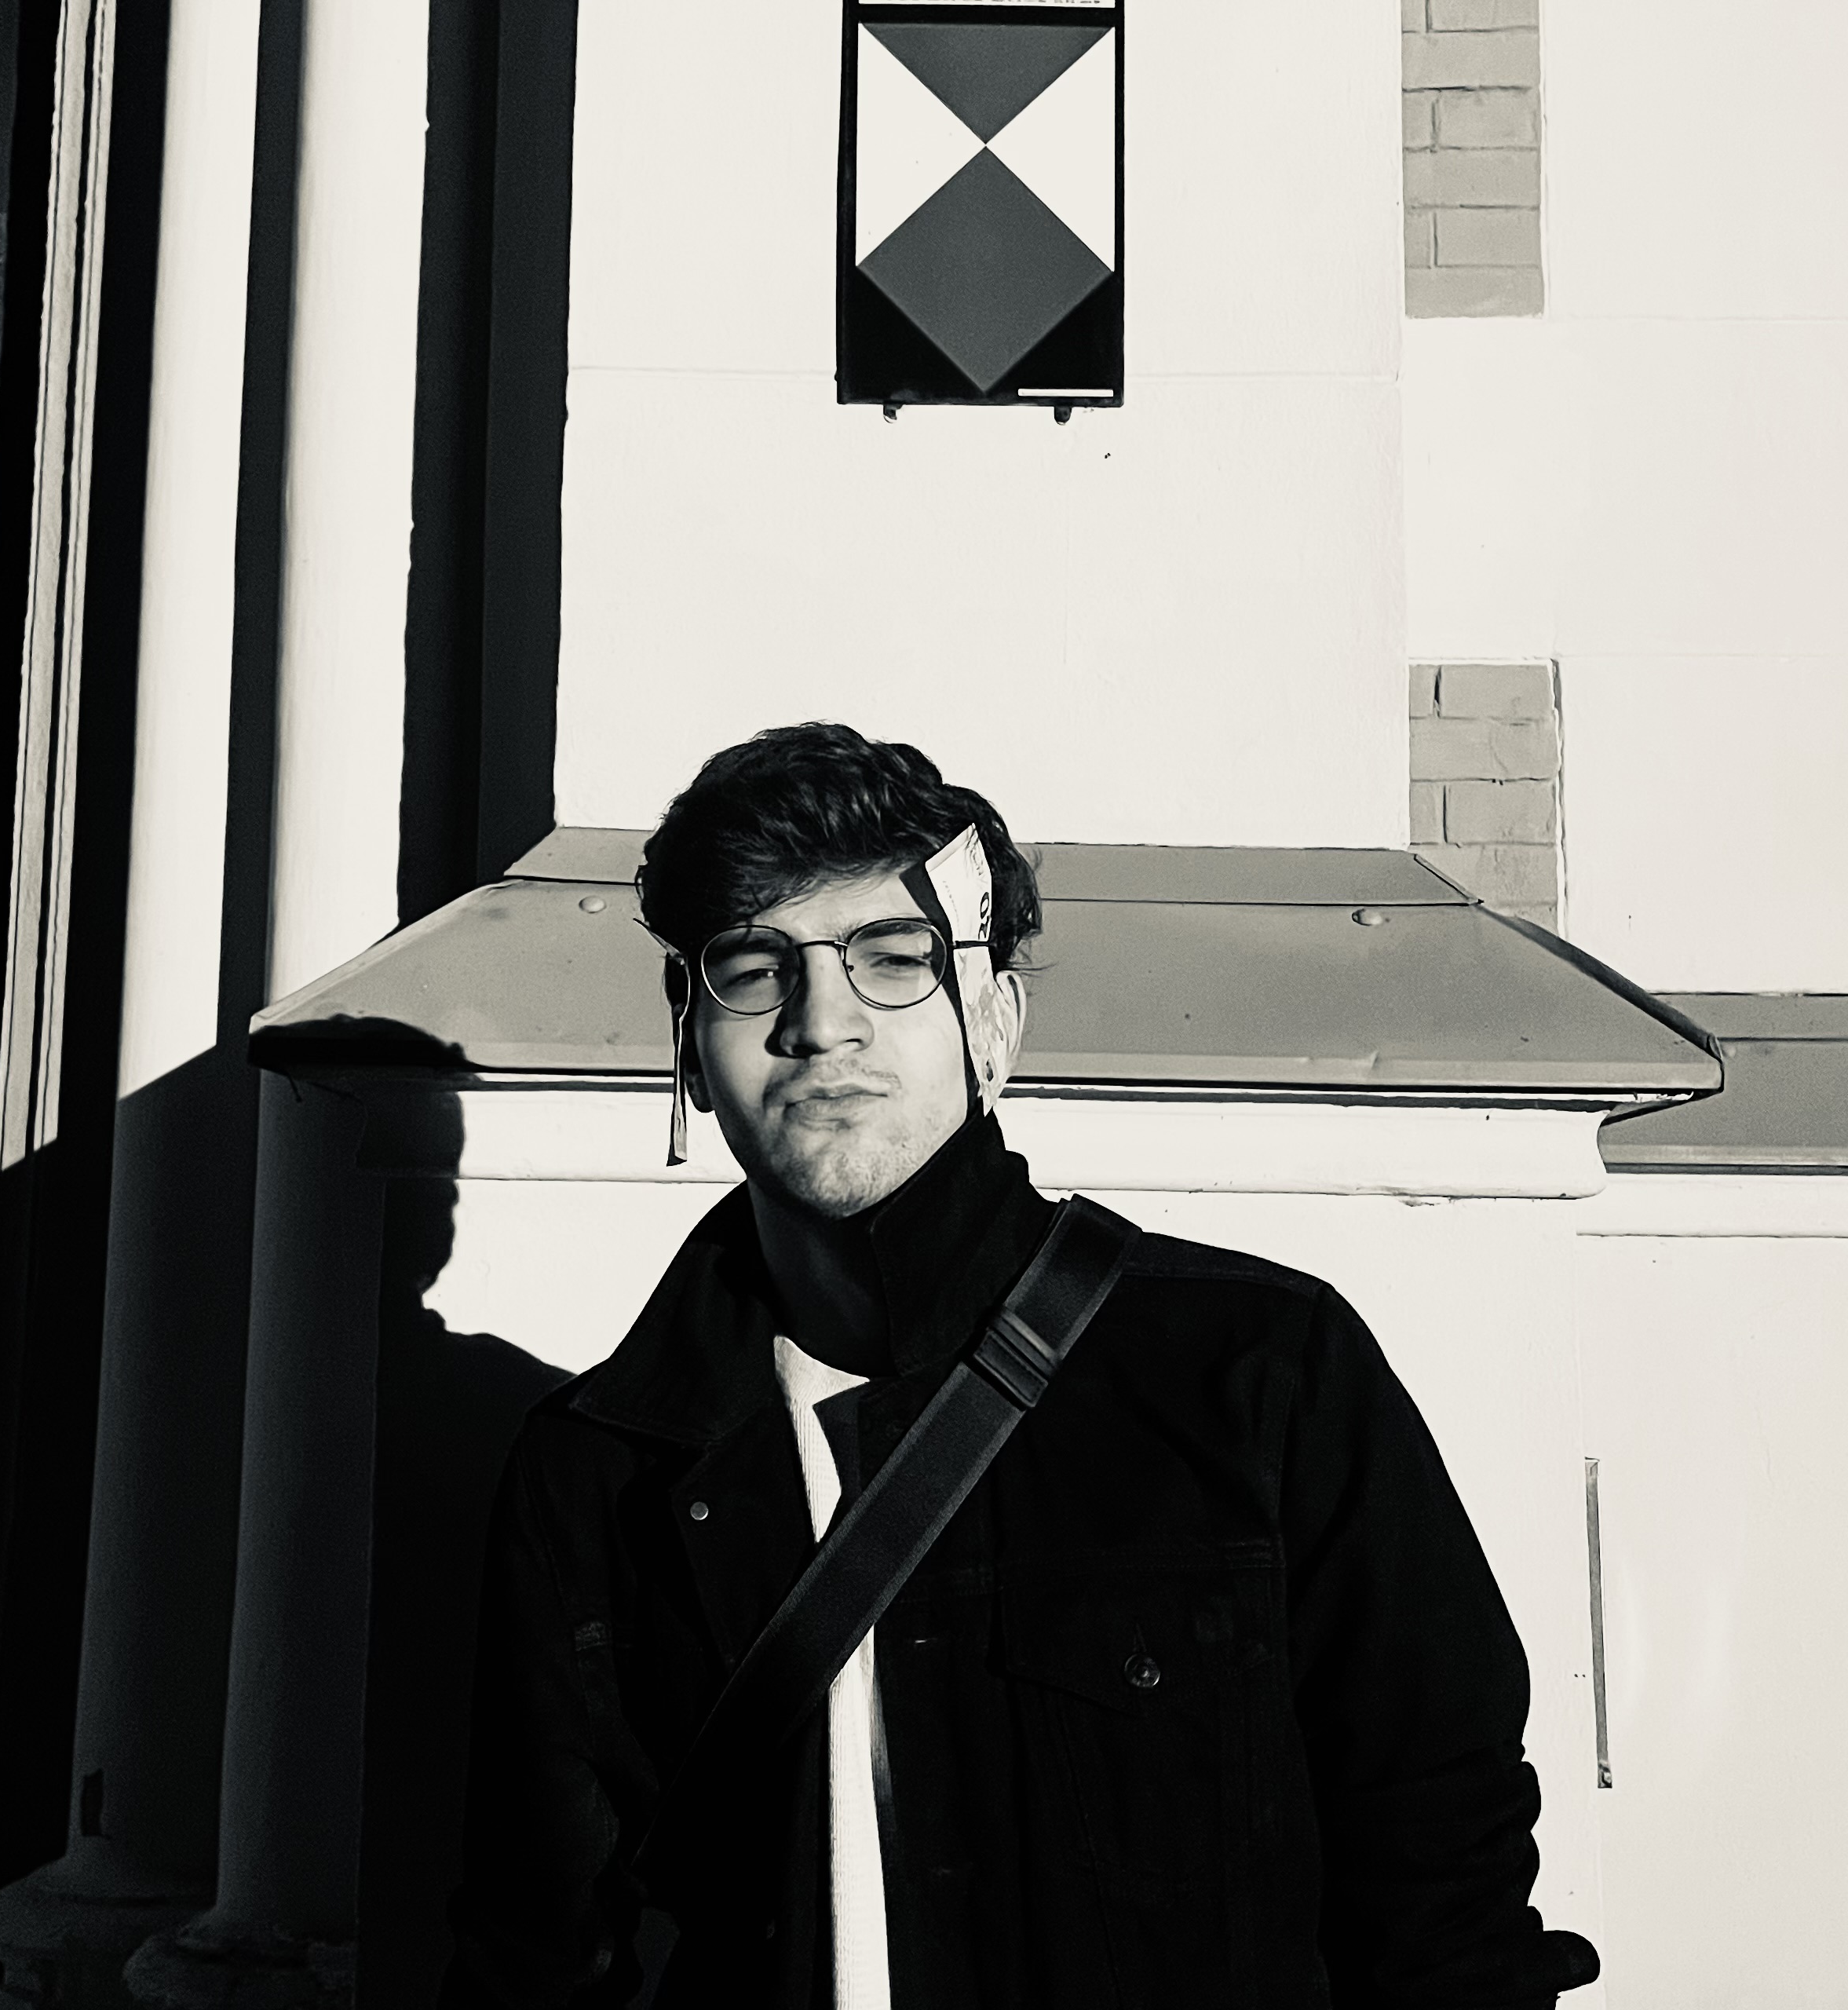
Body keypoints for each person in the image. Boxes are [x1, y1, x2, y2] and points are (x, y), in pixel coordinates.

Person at [442, 722, 1601, 2010]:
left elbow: (1446, 1908)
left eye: (894, 960)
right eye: (755, 970)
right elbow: (534, 1960)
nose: (822, 1024)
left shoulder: (1260, 1376)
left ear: (994, 1023)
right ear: (690, 1049)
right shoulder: (597, 1480)